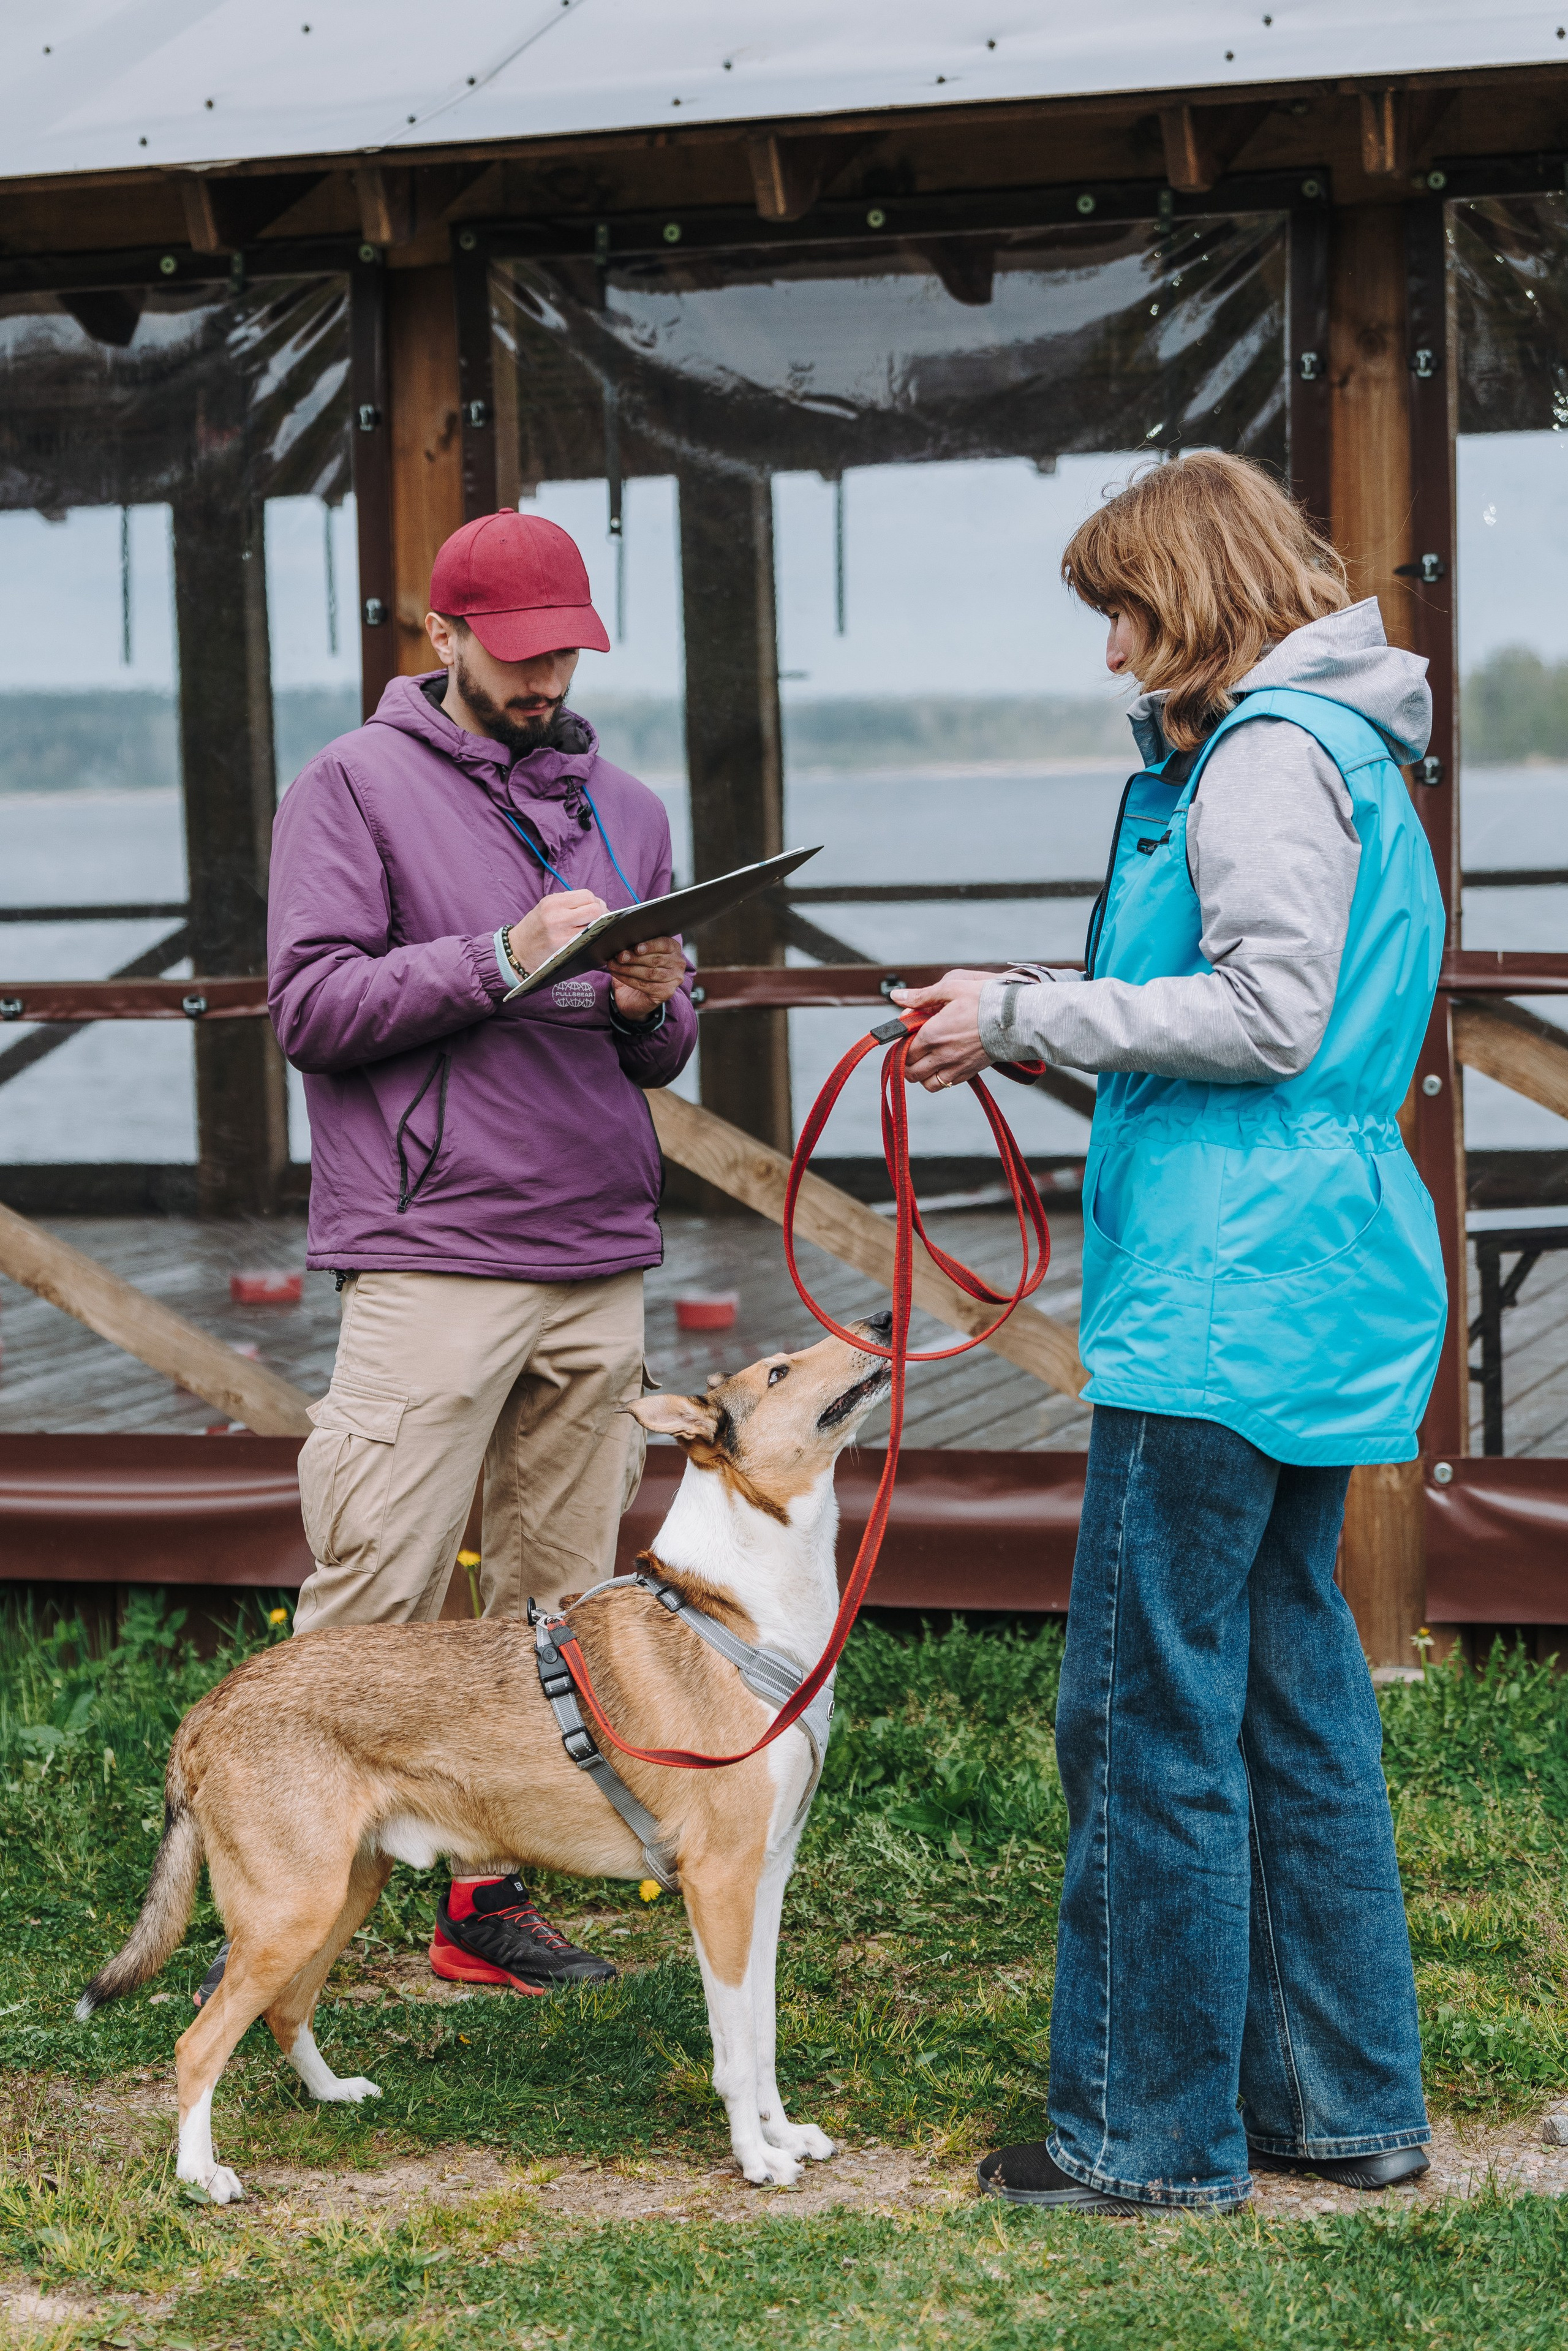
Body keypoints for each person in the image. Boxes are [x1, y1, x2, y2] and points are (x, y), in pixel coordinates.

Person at [894, 451, 1446, 2214]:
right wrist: (1031, 1022)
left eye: (1123, 611)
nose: (1113, 652)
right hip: (1326, 1272)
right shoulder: (1360, 745)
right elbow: (1280, 1012)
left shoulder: (1266, 758)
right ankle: (1341, 2102)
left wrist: (1020, 1008)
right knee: (1291, 1691)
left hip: (1222, 1288)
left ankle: (1149, 2138)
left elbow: (1265, 1011)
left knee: (1142, 1711)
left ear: (1190, 595)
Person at [251, 508, 695, 2001]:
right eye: (515, 652)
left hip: (595, 1243)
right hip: (433, 1247)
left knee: (557, 1606)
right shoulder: (350, 788)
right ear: (439, 636)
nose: (542, 674)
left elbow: (661, 1049)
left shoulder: (623, 803)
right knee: (373, 1589)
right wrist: (502, 957)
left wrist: (649, 998)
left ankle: (485, 1906)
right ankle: (292, 1911)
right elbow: (308, 1007)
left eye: (562, 647)